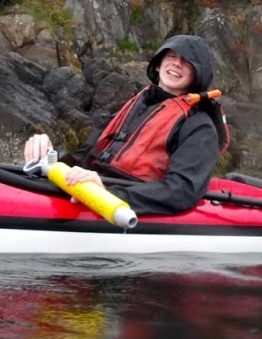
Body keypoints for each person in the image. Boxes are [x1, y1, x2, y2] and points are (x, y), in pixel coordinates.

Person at [24, 35, 229, 215]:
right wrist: (51, 156)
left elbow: (181, 191)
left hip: (128, 202)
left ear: (197, 75)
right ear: (158, 64)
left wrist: (106, 192)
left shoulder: (199, 127)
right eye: (172, 57)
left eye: (186, 62)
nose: (177, 64)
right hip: (95, 190)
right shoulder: (133, 106)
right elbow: (84, 157)